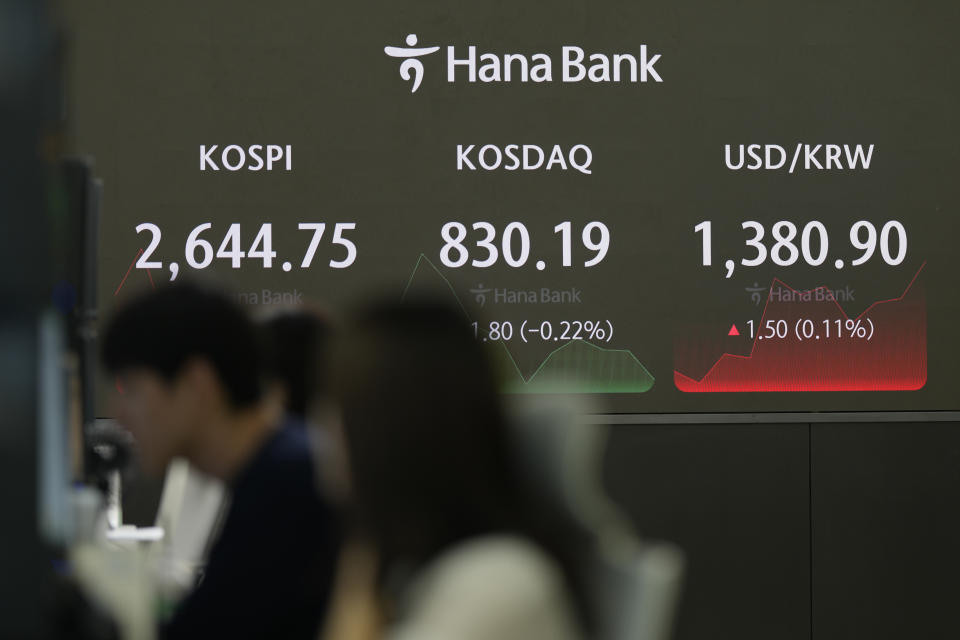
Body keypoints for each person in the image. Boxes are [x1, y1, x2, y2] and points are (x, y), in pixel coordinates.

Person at [320, 298, 588, 640]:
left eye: (338, 410)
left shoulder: (495, 585)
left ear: (384, 430)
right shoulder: (411, 566)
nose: (322, 431)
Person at [101, 282, 339, 639]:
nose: (117, 415)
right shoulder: (277, 472)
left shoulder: (288, 491)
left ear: (198, 384)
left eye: (131, 389)